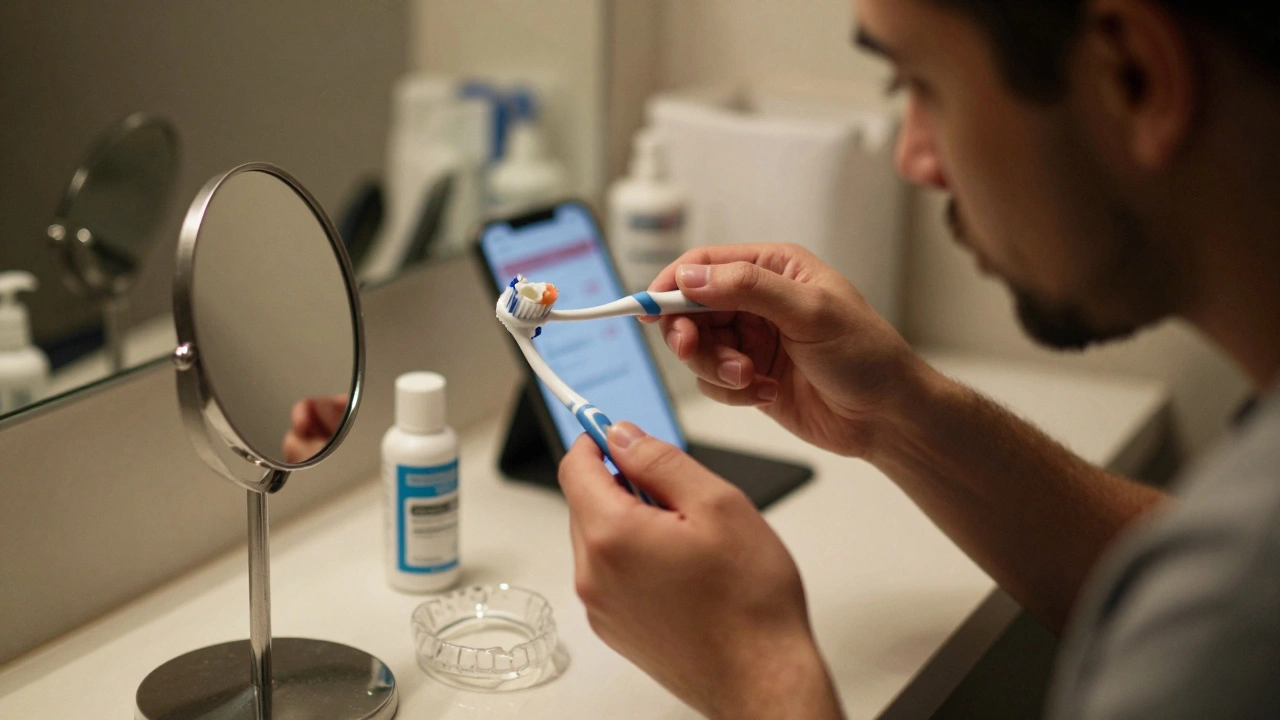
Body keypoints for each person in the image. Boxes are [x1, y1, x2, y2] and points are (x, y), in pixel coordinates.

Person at [556, 0, 1280, 718]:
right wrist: (896, 415)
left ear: (1136, 75)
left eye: (923, 86)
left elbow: (1217, 599)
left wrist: (756, 670)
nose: (914, 159)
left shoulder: (1229, 615)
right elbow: (1170, 571)